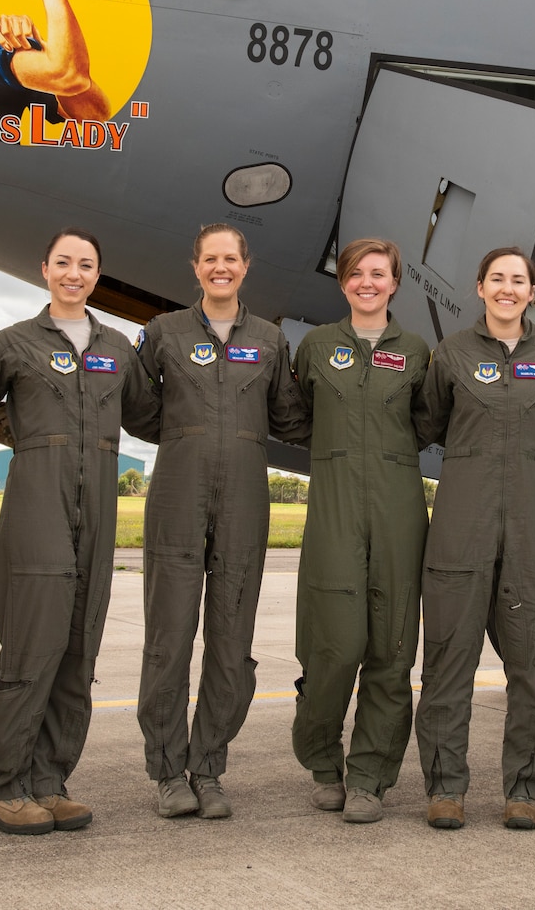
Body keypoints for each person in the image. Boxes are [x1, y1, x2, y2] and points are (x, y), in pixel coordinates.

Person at [0, 229, 159, 835]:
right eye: (64, 263)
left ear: (98, 276)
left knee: (79, 645)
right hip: (37, 503)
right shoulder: (14, 343)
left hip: (100, 506)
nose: (74, 273)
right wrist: (32, 438)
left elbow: (148, 414)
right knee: (33, 643)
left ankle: (50, 779)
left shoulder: (117, 347)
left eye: (87, 265)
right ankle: (1, 783)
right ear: (44, 269)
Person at [412, 245, 535, 831]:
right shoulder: (452, 354)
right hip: (461, 525)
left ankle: (524, 790)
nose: (508, 289)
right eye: (498, 279)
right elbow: (428, 421)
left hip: (531, 529)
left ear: (532, 291)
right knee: (447, 662)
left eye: (519, 280)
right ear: (481, 287)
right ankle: (445, 789)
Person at [135, 224, 309, 819]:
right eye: (210, 258)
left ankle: (209, 767)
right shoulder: (163, 333)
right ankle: (167, 771)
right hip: (177, 492)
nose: (220, 267)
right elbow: (139, 409)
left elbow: (290, 414)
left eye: (230, 258)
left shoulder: (269, 339)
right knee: (169, 637)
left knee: (231, 639)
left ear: (245, 266)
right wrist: (188, 438)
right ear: (196, 267)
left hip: (244, 496)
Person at [289, 238, 432, 824]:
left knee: (392, 649)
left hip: (398, 508)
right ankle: (324, 762)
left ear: (394, 283)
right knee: (333, 644)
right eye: (356, 274)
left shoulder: (417, 351)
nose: (367, 283)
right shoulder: (317, 346)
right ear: (342, 282)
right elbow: (297, 414)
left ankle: (370, 776)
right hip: (334, 507)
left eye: (379, 274)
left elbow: (426, 422)